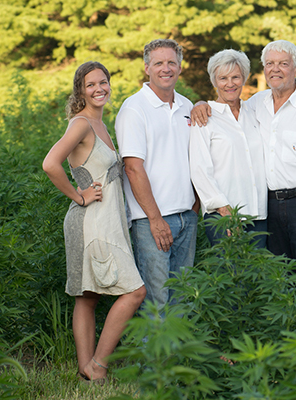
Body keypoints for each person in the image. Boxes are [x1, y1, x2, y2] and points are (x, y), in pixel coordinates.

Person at [191, 40, 296, 276]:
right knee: (258, 281)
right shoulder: (235, 110)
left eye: (283, 63)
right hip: (248, 212)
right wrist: (199, 104)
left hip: (294, 207)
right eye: (270, 63)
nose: (275, 69)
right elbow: (199, 169)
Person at [42, 61, 146, 383]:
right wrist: (79, 195)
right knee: (135, 293)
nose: (99, 88)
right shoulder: (82, 124)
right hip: (91, 222)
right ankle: (99, 365)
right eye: (91, 85)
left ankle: (86, 370)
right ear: (80, 90)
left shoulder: (103, 124)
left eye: (104, 82)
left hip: (107, 221)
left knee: (87, 297)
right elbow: (50, 163)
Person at [115, 39, 199, 311]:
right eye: (159, 63)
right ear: (147, 68)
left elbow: (197, 159)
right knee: (157, 302)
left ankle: (177, 355)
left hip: (187, 217)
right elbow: (133, 167)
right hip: (152, 222)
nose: (166, 68)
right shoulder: (134, 108)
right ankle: (152, 355)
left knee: (181, 299)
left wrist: (194, 208)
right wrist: (155, 219)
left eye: (171, 62)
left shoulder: (187, 107)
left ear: (180, 67)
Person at [189, 49, 267, 247]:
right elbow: (199, 170)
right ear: (214, 81)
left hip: (259, 215)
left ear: (244, 79)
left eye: (236, 77)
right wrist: (225, 210)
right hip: (223, 217)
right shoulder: (205, 116)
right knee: (230, 274)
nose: (230, 83)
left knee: (258, 277)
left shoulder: (255, 112)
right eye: (223, 78)